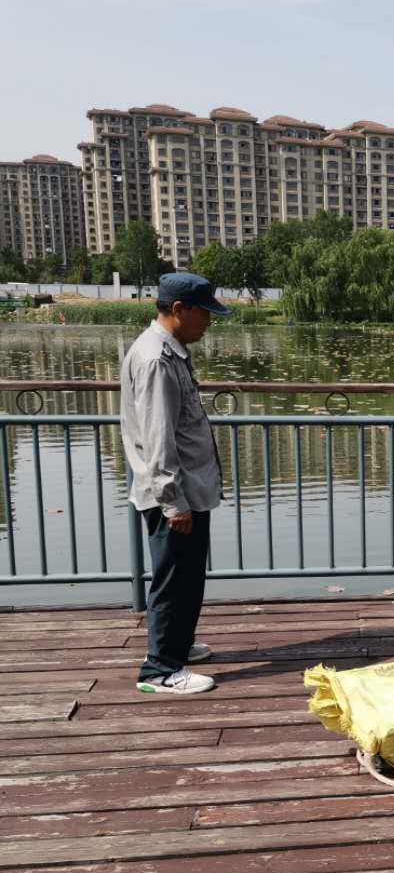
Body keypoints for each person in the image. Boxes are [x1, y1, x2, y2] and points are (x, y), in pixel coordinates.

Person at [120, 273, 228, 693]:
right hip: (174, 495)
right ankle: (160, 670)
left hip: (186, 490)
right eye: (205, 312)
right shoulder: (156, 360)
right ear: (179, 310)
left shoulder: (169, 351)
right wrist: (173, 501)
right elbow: (157, 436)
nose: (209, 321)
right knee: (172, 580)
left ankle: (178, 646)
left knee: (188, 576)